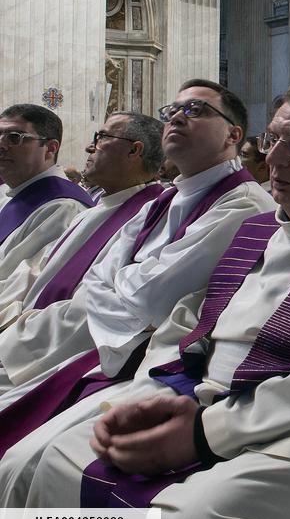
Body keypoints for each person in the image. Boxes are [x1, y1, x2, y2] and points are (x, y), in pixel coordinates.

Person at [7, 78, 290, 519]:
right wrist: (155, 392)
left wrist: (205, 432)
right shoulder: (256, 233)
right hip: (207, 401)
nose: (275, 158)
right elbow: (184, 326)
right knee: (51, 466)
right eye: (274, 139)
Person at [0, 79, 273, 455]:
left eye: (195, 110)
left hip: (143, 358)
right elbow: (96, 279)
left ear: (233, 134)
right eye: (172, 111)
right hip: (99, 338)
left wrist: (120, 288)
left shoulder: (244, 206)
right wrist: (121, 291)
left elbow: (151, 300)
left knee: (29, 458)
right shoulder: (162, 201)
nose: (177, 117)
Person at [0, 114, 164, 332]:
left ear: (134, 151)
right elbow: (36, 271)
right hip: (27, 327)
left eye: (102, 137)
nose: (89, 148)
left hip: (52, 338)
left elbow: (95, 304)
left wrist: (18, 332)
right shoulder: (94, 212)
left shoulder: (147, 219)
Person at [0, 104, 94, 279]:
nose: (1, 145)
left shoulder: (64, 208)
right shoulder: (8, 191)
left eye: (14, 137)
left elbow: (23, 283)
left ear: (50, 148)